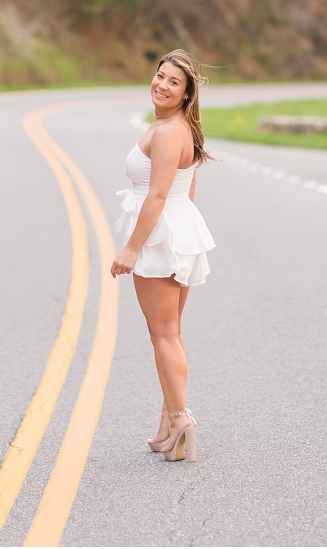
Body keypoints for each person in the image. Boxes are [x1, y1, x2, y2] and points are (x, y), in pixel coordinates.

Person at [111, 49, 215, 463]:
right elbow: (185, 190)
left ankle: (180, 418)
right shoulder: (177, 127)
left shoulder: (170, 131)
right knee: (171, 331)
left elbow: (157, 195)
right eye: (160, 75)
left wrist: (132, 247)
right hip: (179, 232)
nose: (162, 84)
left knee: (164, 334)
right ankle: (167, 422)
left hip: (161, 237)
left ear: (186, 94)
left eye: (174, 82)